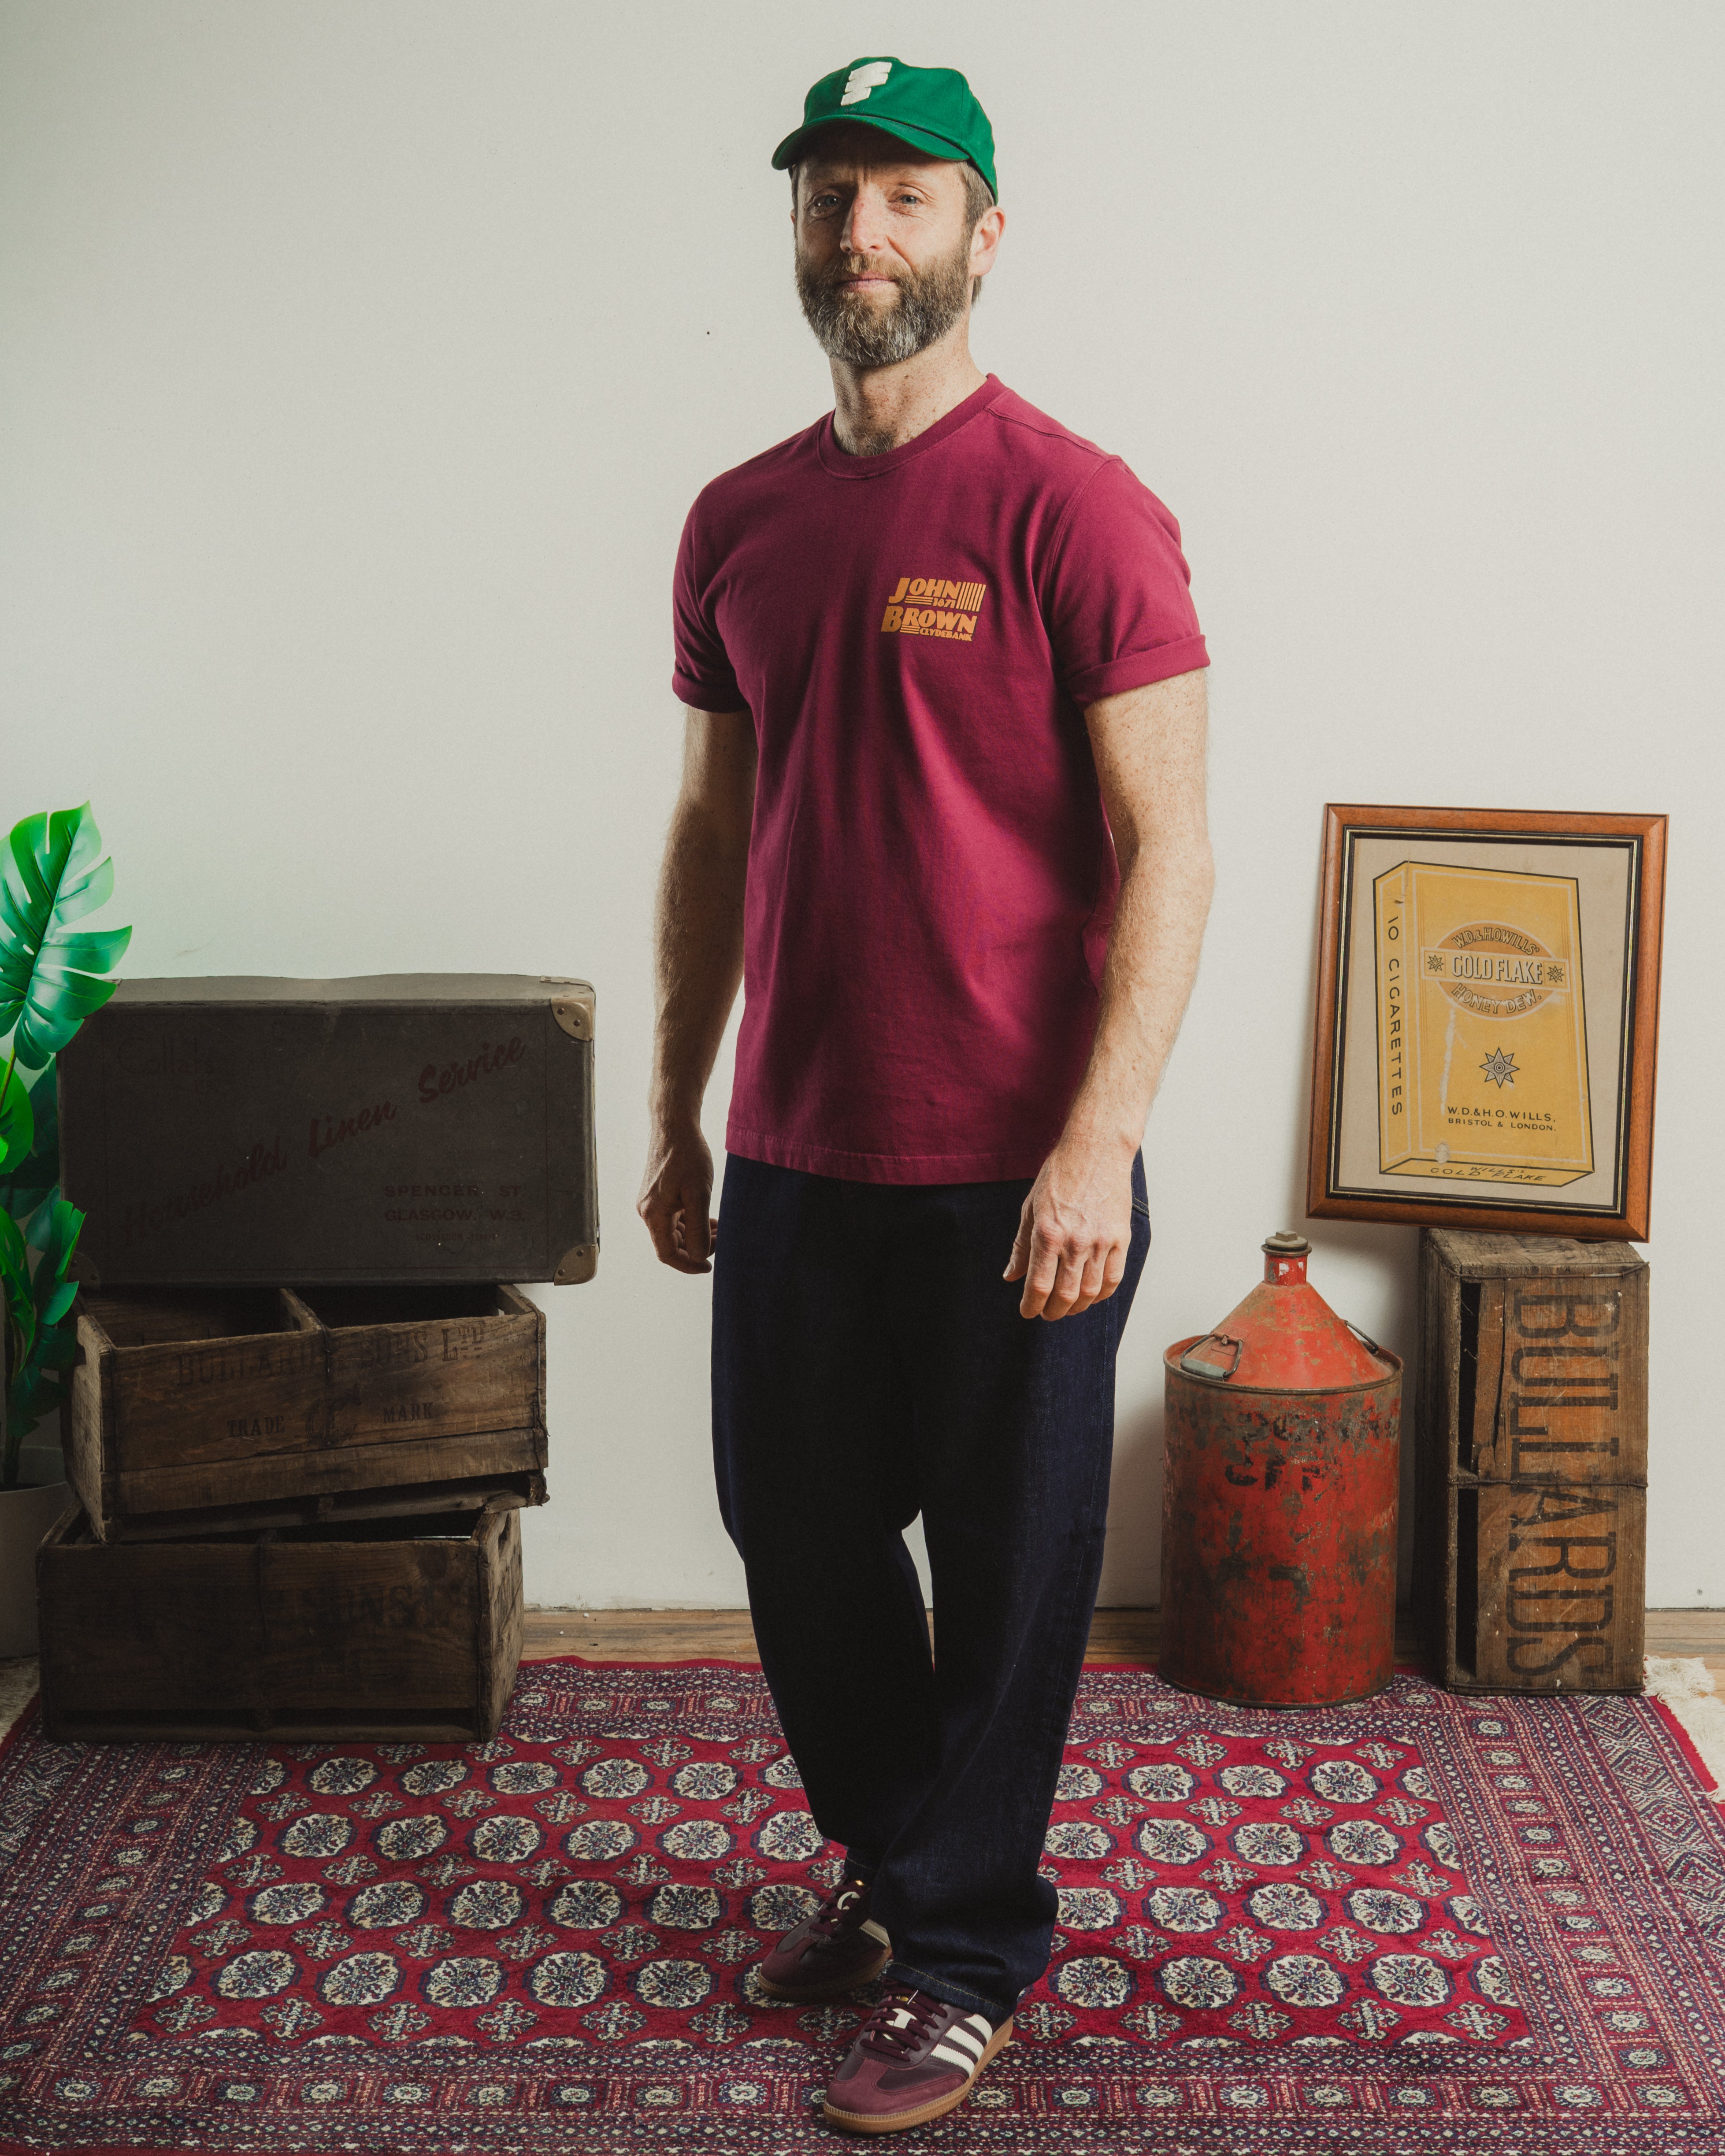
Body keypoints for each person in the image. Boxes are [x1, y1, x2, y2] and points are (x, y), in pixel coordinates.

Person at [638, 53, 1213, 2136]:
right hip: (797, 1138)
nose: (856, 232)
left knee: (1011, 1565)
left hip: (1011, 1160)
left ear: (985, 232)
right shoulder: (737, 522)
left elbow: (1175, 846)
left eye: (901, 196)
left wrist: (1100, 1140)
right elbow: (713, 840)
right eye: (824, 197)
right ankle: (908, 1870)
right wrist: (675, 1110)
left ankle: (965, 1953)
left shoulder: (1077, 503)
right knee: (793, 1537)